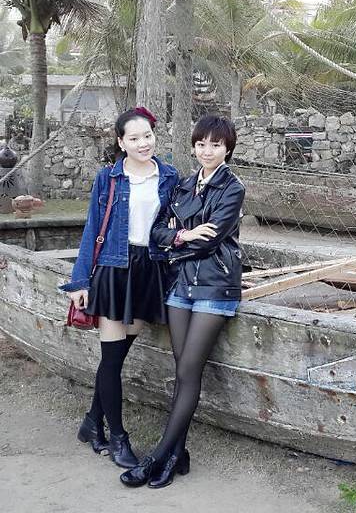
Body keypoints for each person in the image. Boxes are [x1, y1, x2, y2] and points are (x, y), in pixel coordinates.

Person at [120, 115, 245, 489]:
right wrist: (183, 235)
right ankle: (178, 455)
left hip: (215, 286)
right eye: (201, 144)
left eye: (216, 145)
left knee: (189, 370)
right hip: (180, 286)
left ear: (227, 149)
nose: (207, 151)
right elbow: (157, 232)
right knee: (183, 371)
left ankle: (158, 456)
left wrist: (176, 239)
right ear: (193, 146)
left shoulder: (232, 187)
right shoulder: (184, 185)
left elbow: (211, 242)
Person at [61, 107, 178, 469]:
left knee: (117, 356)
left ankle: (91, 423)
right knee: (111, 360)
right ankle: (117, 438)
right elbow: (92, 227)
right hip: (114, 269)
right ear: (121, 142)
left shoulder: (169, 176)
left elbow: (174, 226)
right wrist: (80, 280)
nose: (143, 143)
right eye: (134, 138)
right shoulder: (109, 177)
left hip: (150, 270)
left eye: (148, 136)